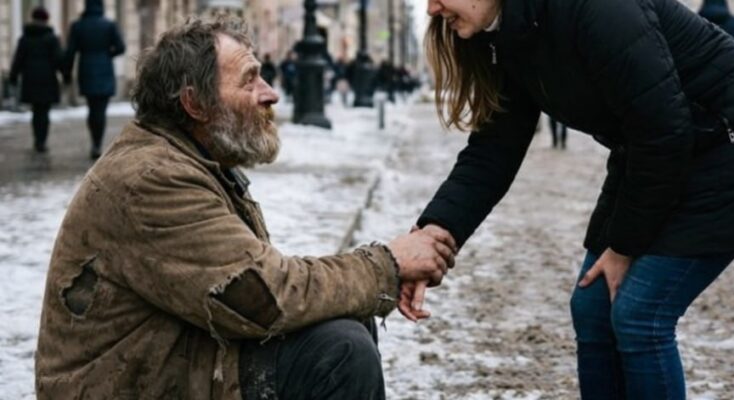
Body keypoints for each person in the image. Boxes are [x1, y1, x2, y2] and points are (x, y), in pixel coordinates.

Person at [410, 0, 734, 399]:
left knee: (640, 314)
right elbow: (493, 153)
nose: (431, 8)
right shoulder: (507, 34)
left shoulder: (596, 8)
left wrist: (623, 246)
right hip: (660, 153)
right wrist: (433, 232)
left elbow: (663, 131)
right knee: (592, 307)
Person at [35, 18, 453, 400]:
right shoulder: (150, 178)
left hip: (163, 361)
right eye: (250, 79)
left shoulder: (189, 158)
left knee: (346, 322)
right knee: (339, 352)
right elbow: (267, 296)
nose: (270, 93)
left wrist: (374, 277)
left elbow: (256, 287)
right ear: (195, 103)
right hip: (119, 385)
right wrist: (388, 265)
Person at [64, 0, 125, 160]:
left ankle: (95, 141)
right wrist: (107, 55)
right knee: (101, 109)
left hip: (86, 69)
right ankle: (97, 142)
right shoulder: (109, 25)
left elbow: (70, 52)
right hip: (105, 69)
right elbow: (121, 47)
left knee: (92, 108)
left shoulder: (78, 26)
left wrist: (66, 74)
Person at [8, 6, 66, 153]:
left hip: (30, 79)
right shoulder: (51, 39)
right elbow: (58, 60)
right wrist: (66, 74)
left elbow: (18, 60)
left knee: (35, 112)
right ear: (46, 20)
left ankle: (37, 139)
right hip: (47, 80)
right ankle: (42, 140)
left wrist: (13, 76)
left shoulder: (25, 38)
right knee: (44, 112)